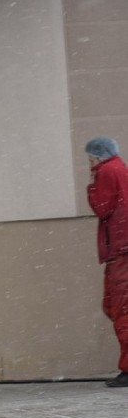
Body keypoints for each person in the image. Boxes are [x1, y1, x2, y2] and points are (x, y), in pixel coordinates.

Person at [86, 137, 128, 387]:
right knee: (115, 306)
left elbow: (102, 206)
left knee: (121, 309)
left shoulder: (106, 171)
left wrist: (91, 186)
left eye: (91, 159)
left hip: (121, 252)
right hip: (122, 250)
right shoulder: (120, 168)